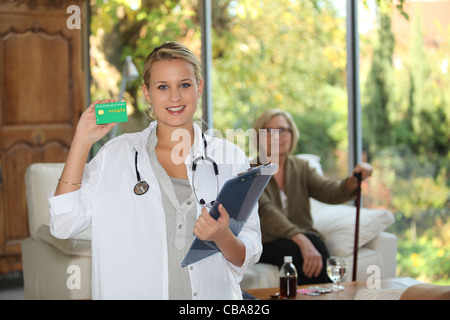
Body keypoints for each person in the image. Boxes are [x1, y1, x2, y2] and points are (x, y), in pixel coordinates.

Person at [48, 41, 262, 299]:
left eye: (184, 84)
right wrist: (80, 144)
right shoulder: (116, 156)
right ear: (147, 93)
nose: (175, 97)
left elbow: (247, 253)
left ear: (199, 87)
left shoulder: (230, 157)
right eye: (162, 87)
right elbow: (63, 224)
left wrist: (223, 237)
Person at [253, 109, 373, 285]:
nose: (277, 136)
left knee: (315, 241)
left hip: (301, 238)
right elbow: (267, 212)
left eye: (283, 130)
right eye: (269, 131)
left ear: (292, 135)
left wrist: (353, 181)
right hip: (267, 242)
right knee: (295, 250)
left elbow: (327, 190)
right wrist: (303, 241)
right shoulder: (251, 170)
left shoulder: (302, 167)